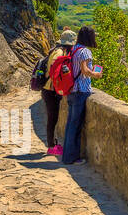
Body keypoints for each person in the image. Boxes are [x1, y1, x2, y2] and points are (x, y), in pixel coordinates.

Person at [61, 26, 101, 165]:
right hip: (81, 91)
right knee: (75, 126)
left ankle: (67, 156)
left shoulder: (74, 49)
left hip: (72, 90)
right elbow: (84, 71)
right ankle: (72, 158)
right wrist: (96, 74)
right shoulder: (85, 51)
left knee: (70, 124)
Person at [40, 29, 76, 156]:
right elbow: (54, 68)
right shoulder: (59, 52)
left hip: (48, 89)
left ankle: (52, 144)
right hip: (51, 90)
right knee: (52, 118)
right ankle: (51, 146)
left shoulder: (56, 50)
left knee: (52, 118)